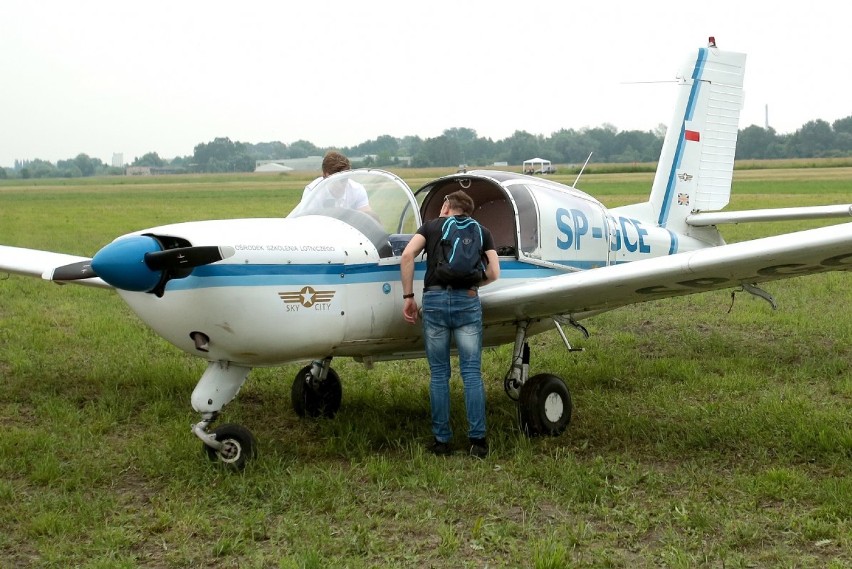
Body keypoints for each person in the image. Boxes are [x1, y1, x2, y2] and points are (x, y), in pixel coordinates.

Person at [400, 190, 500, 458]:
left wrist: (409, 297)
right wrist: (469, 285)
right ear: (468, 211)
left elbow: (407, 256)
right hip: (467, 303)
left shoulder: (431, 227)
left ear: (446, 206)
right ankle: (477, 442)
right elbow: (494, 273)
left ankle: (441, 441)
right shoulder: (482, 231)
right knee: (471, 373)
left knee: (439, 374)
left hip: (433, 302)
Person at [300, 151, 375, 216]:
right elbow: (307, 222)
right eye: (338, 180)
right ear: (326, 176)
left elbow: (367, 217)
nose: (342, 185)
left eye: (345, 179)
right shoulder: (312, 192)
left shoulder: (357, 189)